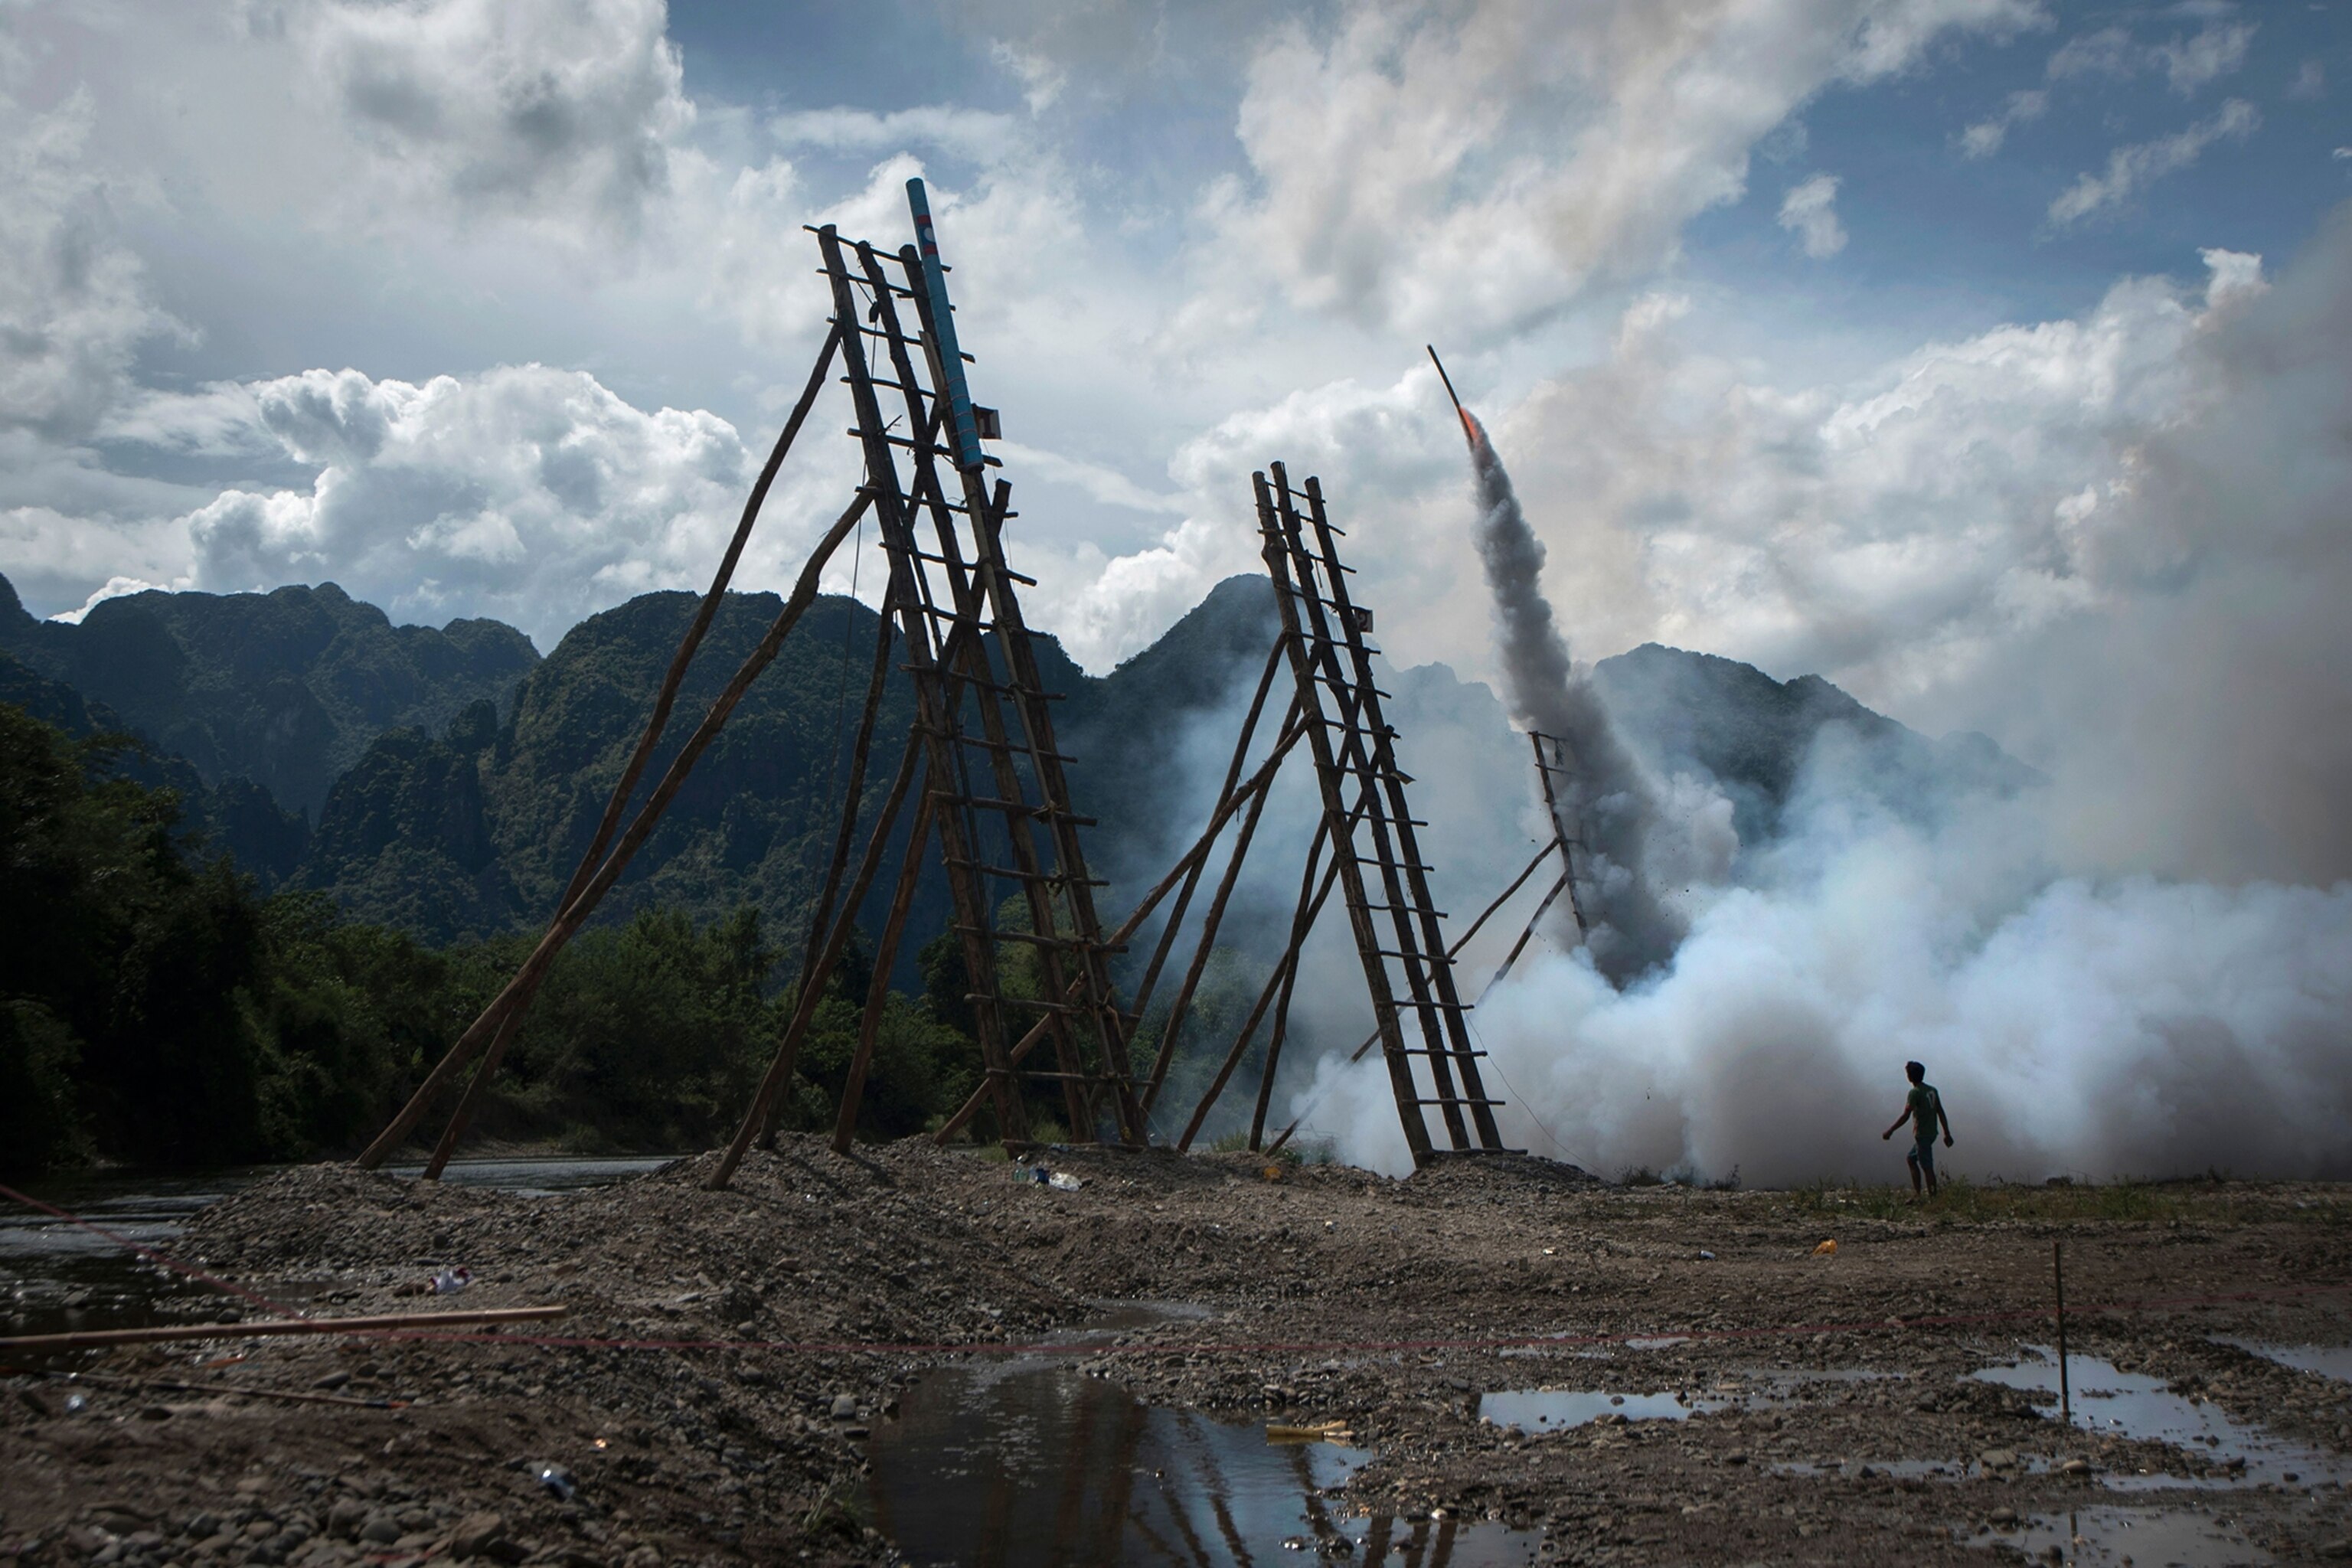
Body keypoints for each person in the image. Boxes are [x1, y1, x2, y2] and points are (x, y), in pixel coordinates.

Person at [1881, 1060, 1953, 1200]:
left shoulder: (1915, 1093)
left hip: (1922, 1134)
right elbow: (1940, 1111)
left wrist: (1891, 1130)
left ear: (1910, 1077)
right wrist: (1946, 1133)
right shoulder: (1932, 1090)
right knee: (1911, 1159)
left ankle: (1932, 1198)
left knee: (1927, 1166)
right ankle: (1918, 1194)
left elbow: (1906, 1115)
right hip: (1932, 1132)